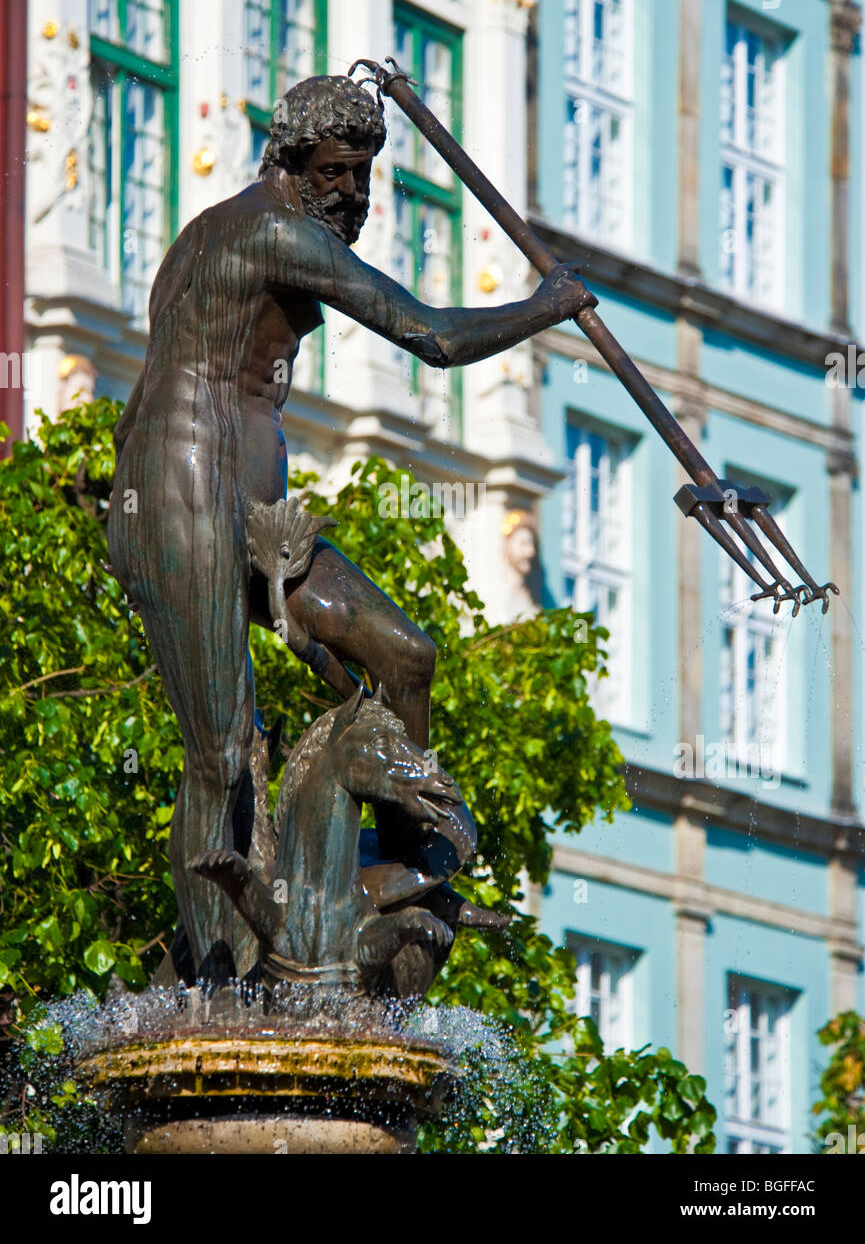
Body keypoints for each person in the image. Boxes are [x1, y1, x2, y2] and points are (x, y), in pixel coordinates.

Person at [107, 74, 595, 981]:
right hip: (180, 491)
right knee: (221, 750)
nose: (355, 196)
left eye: (366, 176)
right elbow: (430, 336)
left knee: (404, 653)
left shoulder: (248, 233)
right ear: (289, 164)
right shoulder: (268, 230)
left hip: (248, 509)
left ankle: (414, 871)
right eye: (336, 173)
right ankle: (213, 977)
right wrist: (548, 304)